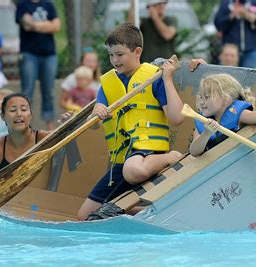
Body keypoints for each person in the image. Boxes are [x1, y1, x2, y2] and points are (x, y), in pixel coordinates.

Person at [77, 23, 184, 221]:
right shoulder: (108, 84)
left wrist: (168, 79)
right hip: (122, 160)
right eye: (111, 55)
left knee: (133, 170)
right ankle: (133, 213)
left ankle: (171, 157)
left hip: (148, 153)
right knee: (84, 216)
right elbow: (95, 124)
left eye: (119, 54)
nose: (114, 60)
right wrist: (95, 113)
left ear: (137, 52)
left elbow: (177, 118)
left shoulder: (155, 78)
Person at [189, 73, 256, 160]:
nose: (202, 102)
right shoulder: (204, 123)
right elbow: (194, 152)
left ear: (225, 100)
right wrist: (206, 134)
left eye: (207, 97)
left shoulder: (238, 114)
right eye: (201, 97)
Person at [16, 0, 61, 130]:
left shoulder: (48, 4)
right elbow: (26, 25)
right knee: (27, 92)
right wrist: (47, 25)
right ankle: (25, 127)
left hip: (49, 54)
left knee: (49, 92)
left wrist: (36, 26)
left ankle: (49, 129)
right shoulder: (22, 5)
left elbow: (57, 27)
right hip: (29, 54)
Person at [214, 0, 256, 68]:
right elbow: (218, 24)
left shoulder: (255, 2)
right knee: (228, 76)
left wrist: (247, 14)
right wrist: (232, 15)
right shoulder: (226, 3)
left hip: (251, 49)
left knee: (250, 76)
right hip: (231, 50)